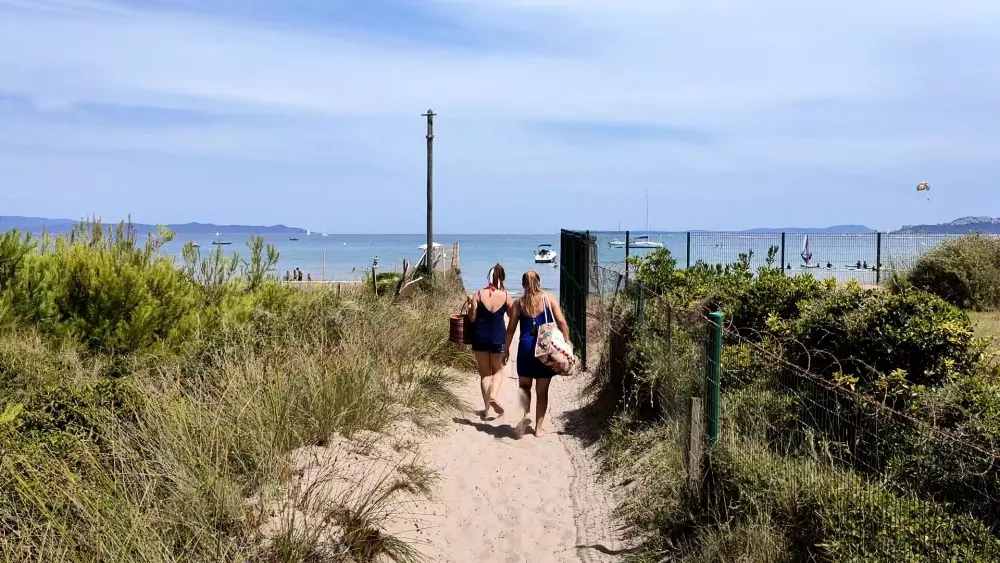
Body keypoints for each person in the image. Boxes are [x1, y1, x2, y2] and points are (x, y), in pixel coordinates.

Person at [502, 270, 570, 438]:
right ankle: (538, 429)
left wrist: (506, 349)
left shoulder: (519, 303)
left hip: (525, 347)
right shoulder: (548, 298)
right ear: (539, 282)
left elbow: (511, 329)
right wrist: (567, 341)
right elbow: (561, 321)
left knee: (524, 387)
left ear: (523, 284)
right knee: (542, 391)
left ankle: (525, 416)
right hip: (545, 348)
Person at [466, 264, 512, 420]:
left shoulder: (478, 294)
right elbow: (513, 316)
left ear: (489, 277)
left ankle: (486, 410)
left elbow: (472, 318)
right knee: (498, 371)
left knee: (485, 373)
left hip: (480, 337)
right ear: (502, 278)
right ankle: (493, 396)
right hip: (498, 337)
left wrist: (470, 306)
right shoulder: (506, 296)